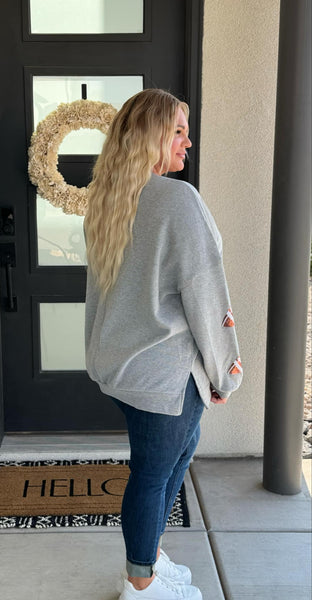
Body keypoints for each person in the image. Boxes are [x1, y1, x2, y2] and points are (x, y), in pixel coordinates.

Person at [84, 89, 242, 600]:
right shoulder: (178, 200)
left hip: (123, 369)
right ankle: (141, 583)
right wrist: (226, 373)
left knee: (172, 458)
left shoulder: (108, 198)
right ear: (149, 135)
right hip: (166, 376)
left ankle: (147, 556)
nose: (187, 142)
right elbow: (206, 295)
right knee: (153, 475)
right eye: (177, 131)